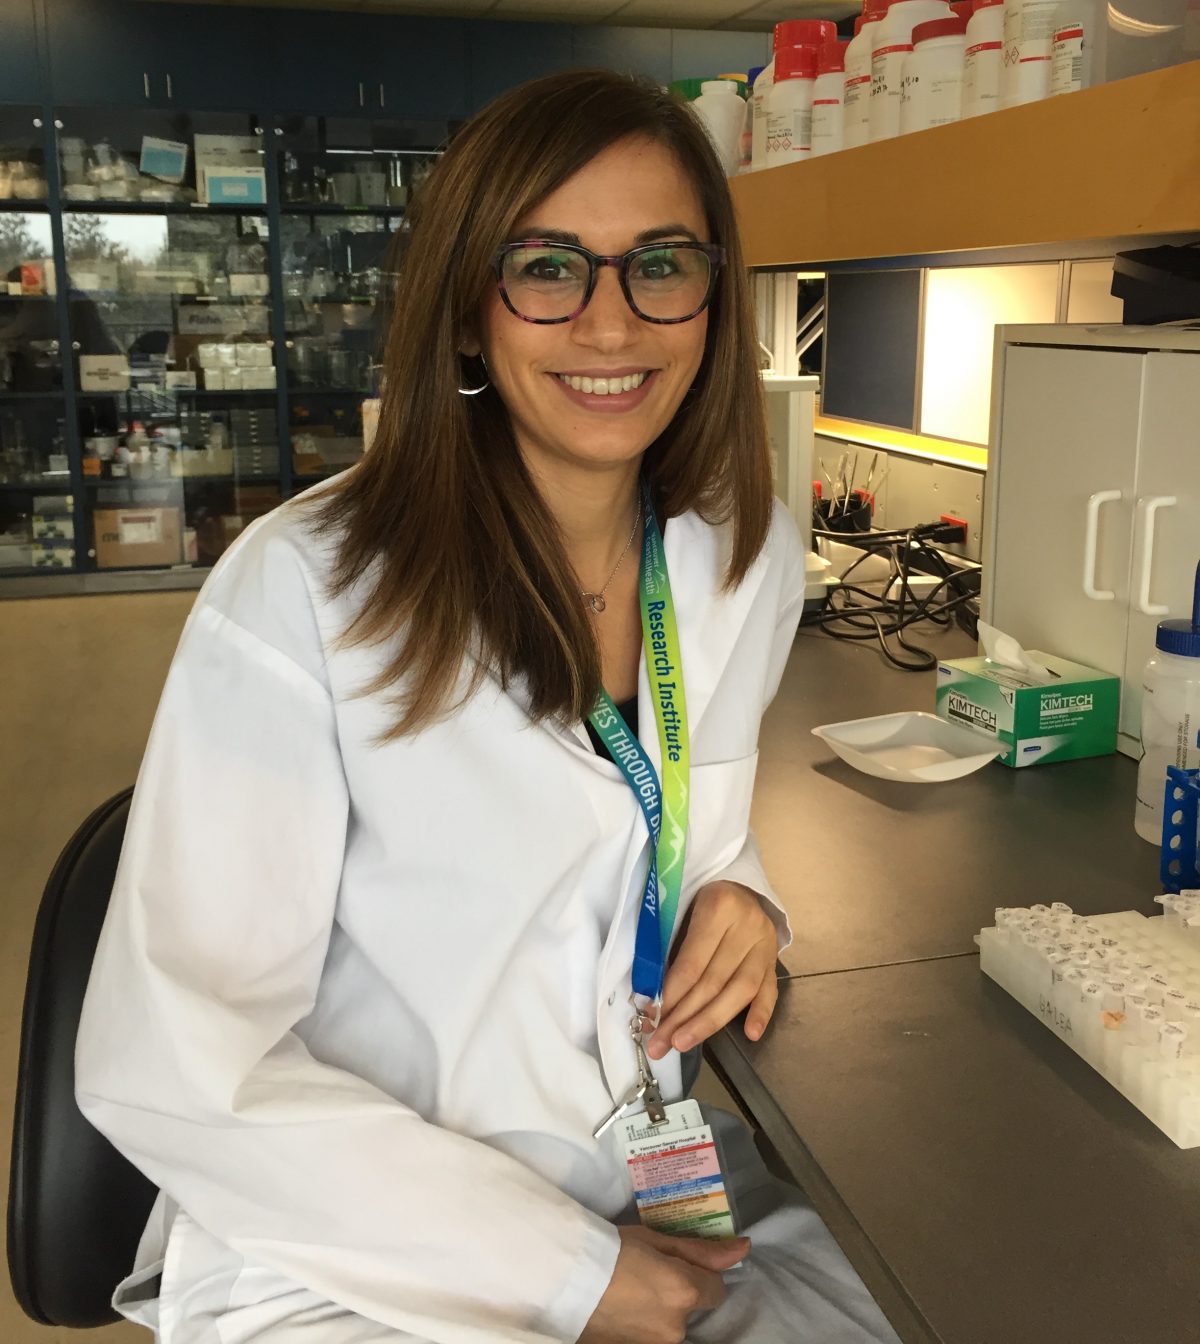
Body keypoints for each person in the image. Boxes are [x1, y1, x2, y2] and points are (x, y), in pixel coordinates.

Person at [76, 70, 899, 1344]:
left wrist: (745, 893)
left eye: (660, 264)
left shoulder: (740, 552)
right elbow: (180, 1066)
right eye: (548, 267)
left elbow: (686, 811)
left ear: (712, 299)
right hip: (354, 1243)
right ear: (469, 314)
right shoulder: (309, 588)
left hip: (641, 1176)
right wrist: (568, 1272)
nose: (612, 324)